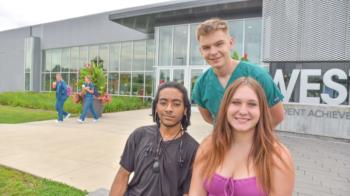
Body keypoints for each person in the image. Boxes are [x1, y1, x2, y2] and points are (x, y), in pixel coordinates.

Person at [189, 77, 295, 196]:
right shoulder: (208, 146)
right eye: (236, 102)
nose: (243, 111)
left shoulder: (278, 156)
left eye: (252, 104)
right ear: (225, 107)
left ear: (261, 110)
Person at [109, 82, 199, 196]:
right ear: (156, 107)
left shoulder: (194, 149)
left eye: (176, 104)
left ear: (185, 109)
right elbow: (123, 174)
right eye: (163, 103)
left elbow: (187, 193)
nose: (169, 109)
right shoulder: (139, 135)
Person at [192, 18, 284, 127]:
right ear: (201, 51)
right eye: (206, 47)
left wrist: (251, 138)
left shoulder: (257, 75)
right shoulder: (201, 85)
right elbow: (209, 119)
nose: (213, 52)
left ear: (230, 43)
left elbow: (277, 116)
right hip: (222, 143)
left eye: (219, 44)